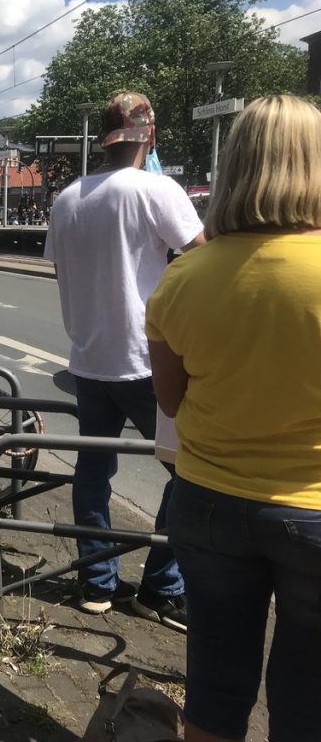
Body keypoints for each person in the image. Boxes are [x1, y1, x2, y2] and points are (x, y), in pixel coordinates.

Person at [145, 95, 321, 742]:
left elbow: (169, 400)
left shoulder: (183, 279)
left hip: (209, 502)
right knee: (308, 701)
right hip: (315, 512)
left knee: (215, 685)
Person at [44, 90, 204, 630]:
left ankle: (97, 584)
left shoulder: (67, 198)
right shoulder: (158, 190)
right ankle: (161, 587)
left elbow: (62, 274)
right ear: (149, 136)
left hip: (87, 362)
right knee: (190, 472)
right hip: (147, 361)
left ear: (104, 139)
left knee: (93, 474)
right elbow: (207, 262)